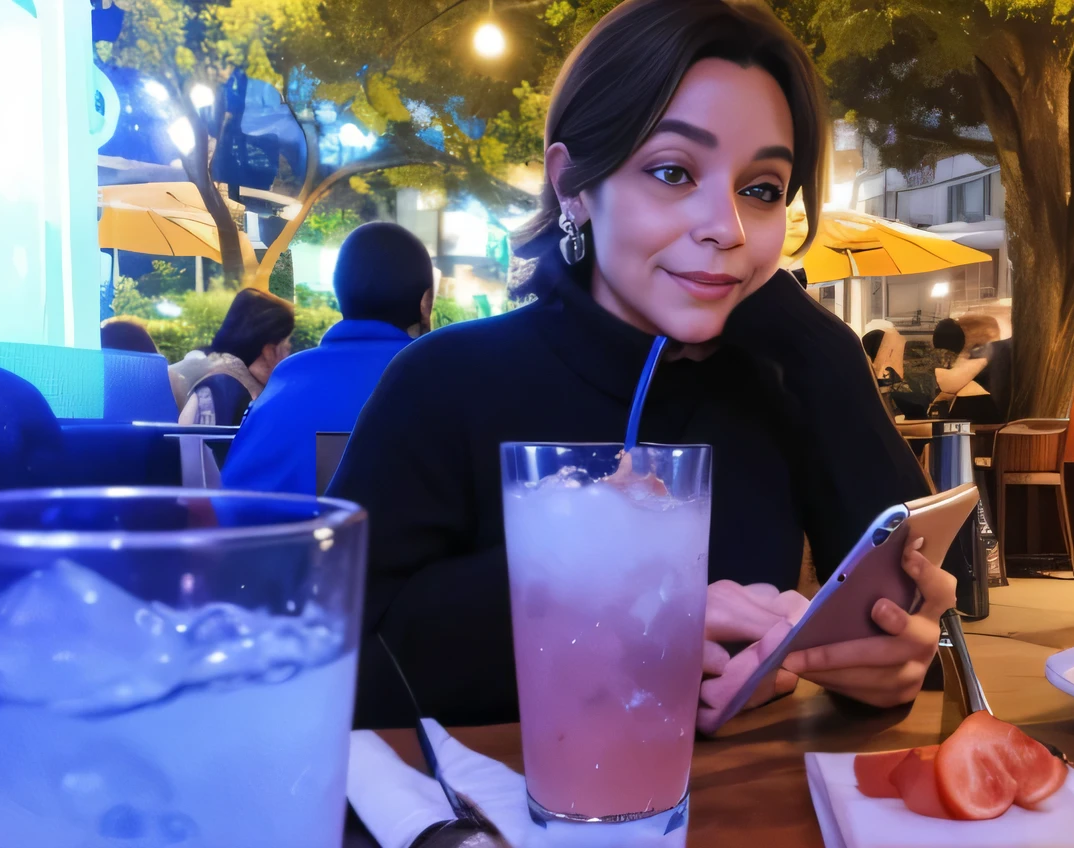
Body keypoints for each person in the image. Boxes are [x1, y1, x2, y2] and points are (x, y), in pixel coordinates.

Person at [330, 0, 941, 729]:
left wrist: (893, 666)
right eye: (675, 171)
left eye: (762, 190)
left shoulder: (788, 382)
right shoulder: (443, 381)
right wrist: (629, 609)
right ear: (573, 185)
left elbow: (909, 627)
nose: (728, 227)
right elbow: (345, 668)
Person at [221, 223, 435, 494]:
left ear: (341, 295)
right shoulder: (441, 379)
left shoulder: (287, 378)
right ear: (425, 303)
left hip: (264, 534)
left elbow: (232, 501)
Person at [178, 288, 295, 427]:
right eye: (286, 347)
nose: (288, 356)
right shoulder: (240, 398)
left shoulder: (208, 379)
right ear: (269, 352)